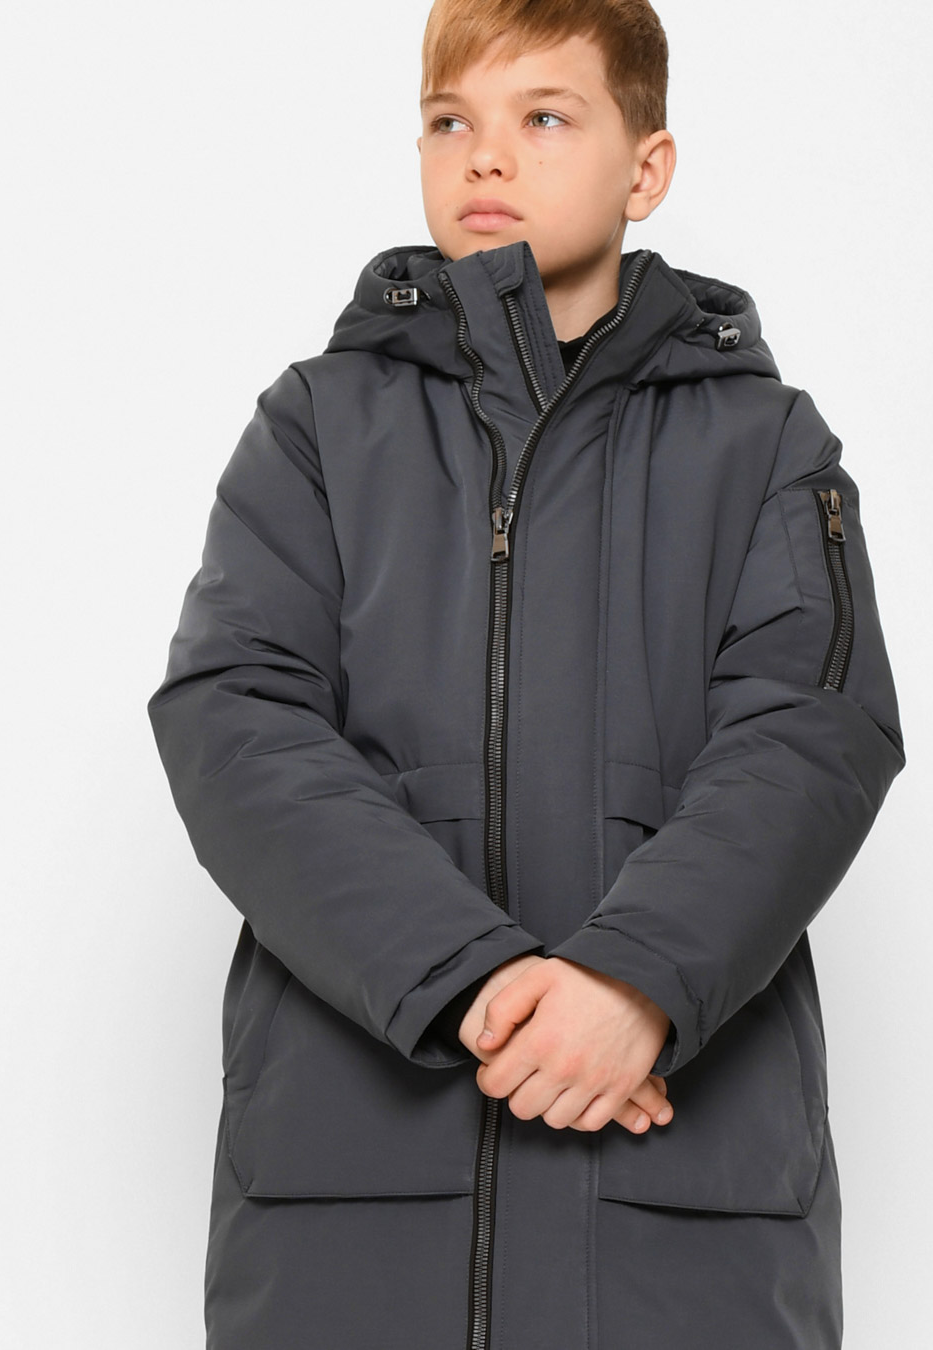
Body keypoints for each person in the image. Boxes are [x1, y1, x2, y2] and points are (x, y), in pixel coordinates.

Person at [147, 2, 906, 1346]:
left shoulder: (768, 446)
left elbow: (812, 733)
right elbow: (237, 722)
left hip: (683, 1214)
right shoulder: (318, 427)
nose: (486, 156)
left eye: (544, 117)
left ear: (645, 168)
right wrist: (472, 979)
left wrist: (635, 981)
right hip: (354, 1204)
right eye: (452, 122)